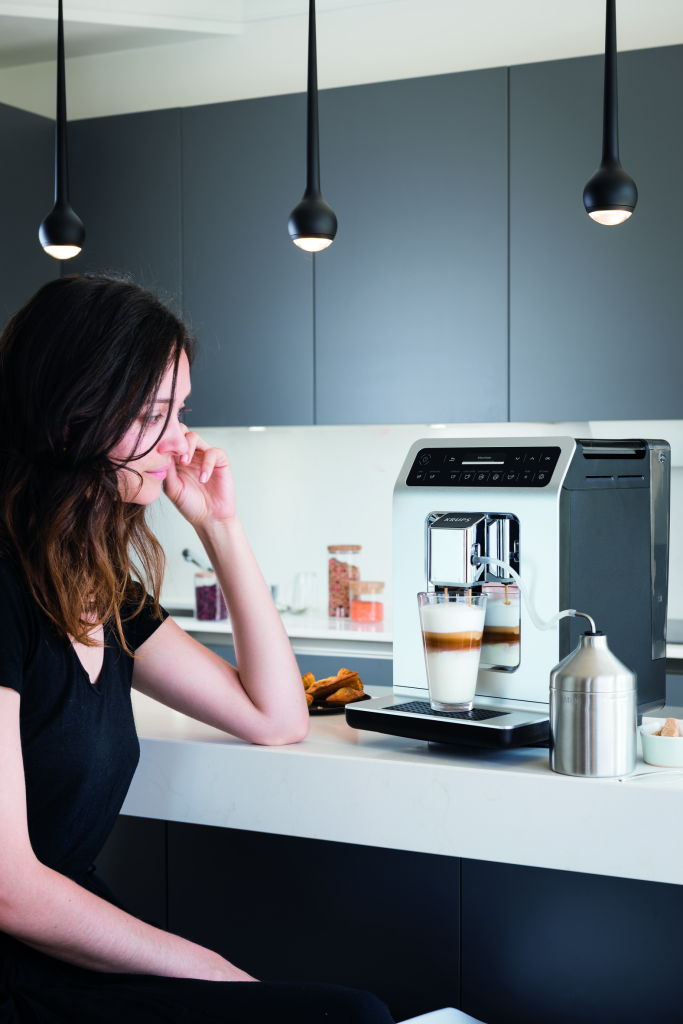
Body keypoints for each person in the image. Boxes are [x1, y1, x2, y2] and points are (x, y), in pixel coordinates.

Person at [0, 274, 393, 1024]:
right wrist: (208, 968)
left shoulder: (100, 589)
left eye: (179, 411)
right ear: (69, 418)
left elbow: (275, 716)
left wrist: (220, 526)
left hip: (65, 957)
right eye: (154, 414)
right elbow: (9, 888)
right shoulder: (5, 589)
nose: (182, 440)